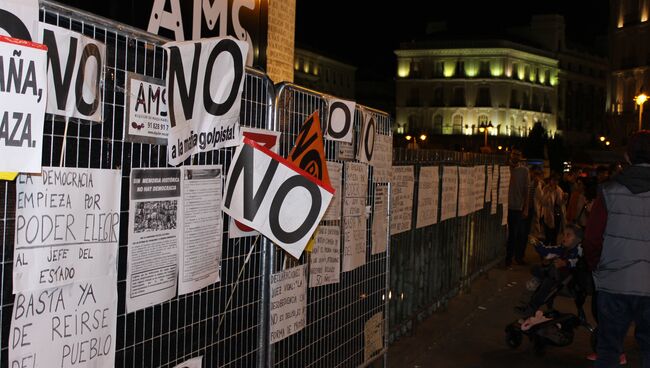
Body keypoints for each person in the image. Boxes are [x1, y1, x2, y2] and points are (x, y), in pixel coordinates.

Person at [583, 131, 650, 367]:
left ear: (627, 156)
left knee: (609, 350)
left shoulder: (609, 191)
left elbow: (592, 238)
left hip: (615, 282)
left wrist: (599, 267)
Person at [516, 225, 583, 318]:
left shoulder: (580, 249)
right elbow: (547, 250)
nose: (564, 238)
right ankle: (532, 302)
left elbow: (578, 261)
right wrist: (537, 244)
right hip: (559, 278)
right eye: (564, 234)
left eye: (568, 235)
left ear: (577, 238)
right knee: (540, 271)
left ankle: (531, 307)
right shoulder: (563, 248)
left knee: (548, 280)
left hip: (571, 283)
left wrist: (565, 263)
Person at [506, 149, 530, 266]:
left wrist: (525, 208)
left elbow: (527, 190)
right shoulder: (506, 168)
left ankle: (509, 258)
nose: (516, 156)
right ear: (511, 155)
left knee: (513, 234)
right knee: (505, 233)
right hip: (505, 206)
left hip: (516, 207)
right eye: (514, 154)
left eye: (518, 154)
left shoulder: (524, 171)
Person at [539, 173, 565, 245]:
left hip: (556, 214)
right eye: (553, 180)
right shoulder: (546, 189)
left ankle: (553, 251)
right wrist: (549, 193)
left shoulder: (559, 190)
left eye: (556, 180)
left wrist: (564, 198)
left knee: (554, 236)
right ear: (550, 180)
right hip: (547, 214)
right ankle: (545, 252)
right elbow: (543, 202)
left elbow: (560, 203)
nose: (555, 182)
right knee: (547, 235)